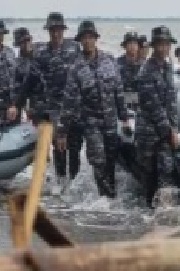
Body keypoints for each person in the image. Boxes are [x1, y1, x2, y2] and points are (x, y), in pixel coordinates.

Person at [57, 21, 129, 198]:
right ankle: (105, 200)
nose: (87, 41)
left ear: (96, 39)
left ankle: (112, 199)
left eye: (90, 37)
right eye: (84, 38)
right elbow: (69, 101)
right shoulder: (76, 67)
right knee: (98, 160)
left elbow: (118, 90)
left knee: (111, 161)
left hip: (110, 120)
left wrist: (124, 117)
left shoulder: (109, 60)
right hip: (91, 123)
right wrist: (62, 132)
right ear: (80, 41)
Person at [33, 11, 83, 193]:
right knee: (59, 147)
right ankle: (61, 183)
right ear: (48, 31)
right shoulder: (41, 54)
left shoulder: (74, 48)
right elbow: (34, 82)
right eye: (52, 30)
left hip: (75, 107)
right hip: (54, 109)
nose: (55, 34)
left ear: (63, 30)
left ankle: (75, 185)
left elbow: (84, 73)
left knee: (75, 147)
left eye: (59, 30)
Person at [136, 26, 180, 207]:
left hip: (165, 130)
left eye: (166, 44)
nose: (163, 48)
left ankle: (163, 211)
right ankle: (148, 212)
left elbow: (171, 102)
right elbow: (154, 107)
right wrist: (170, 131)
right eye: (160, 45)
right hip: (148, 131)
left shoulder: (168, 68)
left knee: (166, 169)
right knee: (148, 175)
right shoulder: (146, 71)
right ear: (154, 46)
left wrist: (175, 128)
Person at [10, 28, 45, 120]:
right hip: (32, 102)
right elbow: (18, 88)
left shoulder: (42, 53)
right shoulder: (17, 64)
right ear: (18, 44)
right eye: (22, 42)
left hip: (48, 100)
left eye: (28, 40)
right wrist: (20, 106)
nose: (26, 44)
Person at [117, 31, 142, 111]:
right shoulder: (116, 64)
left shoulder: (145, 66)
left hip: (140, 109)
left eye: (135, 43)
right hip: (121, 108)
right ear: (125, 46)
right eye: (130, 43)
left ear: (138, 46)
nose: (132, 46)